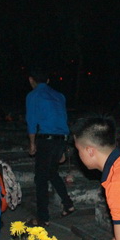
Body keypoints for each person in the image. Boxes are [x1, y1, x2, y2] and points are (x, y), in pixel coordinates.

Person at [25, 66, 74, 226]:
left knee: (41, 178)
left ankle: (42, 218)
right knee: (52, 172)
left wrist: (32, 144)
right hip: (61, 139)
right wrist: (63, 148)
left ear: (31, 80)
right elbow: (63, 119)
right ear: (47, 80)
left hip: (46, 140)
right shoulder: (59, 96)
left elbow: (32, 121)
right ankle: (68, 204)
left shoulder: (33, 96)